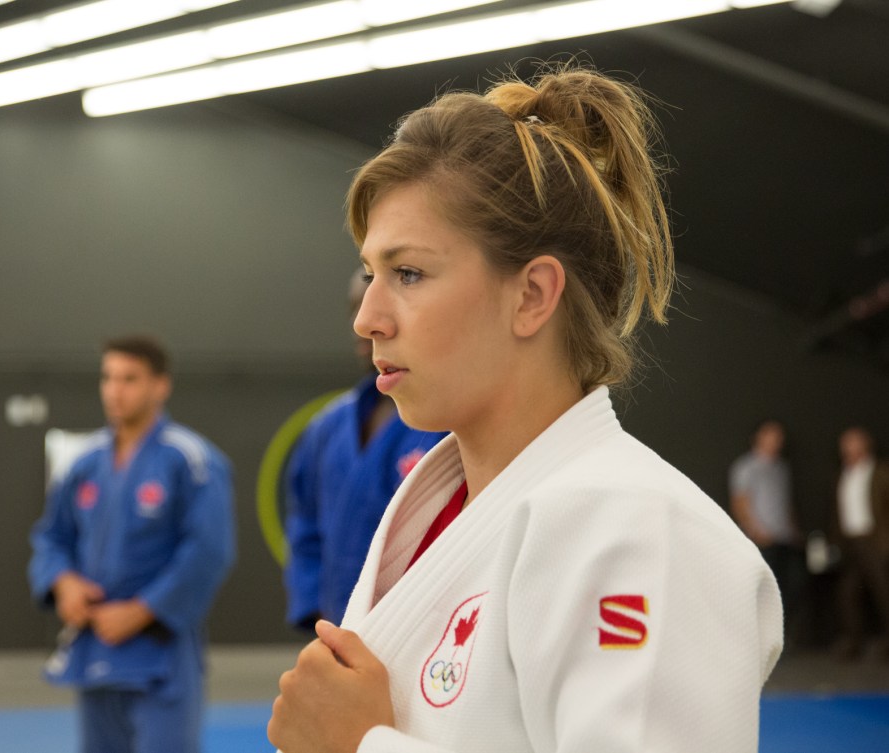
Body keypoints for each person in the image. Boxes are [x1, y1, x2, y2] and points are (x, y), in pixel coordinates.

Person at [268, 63, 782, 753]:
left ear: (533, 295)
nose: (367, 319)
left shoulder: (637, 531)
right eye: (370, 274)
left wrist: (362, 744)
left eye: (409, 273)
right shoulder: (439, 510)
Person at [29, 335, 235, 753]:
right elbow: (52, 536)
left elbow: (209, 550)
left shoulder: (191, 459)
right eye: (107, 378)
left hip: (160, 654)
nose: (115, 390)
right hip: (96, 648)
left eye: (129, 379)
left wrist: (142, 610)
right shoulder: (84, 463)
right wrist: (64, 583)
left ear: (160, 386)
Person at [284, 271, 445, 629]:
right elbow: (305, 521)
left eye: (378, 306)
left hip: (421, 632)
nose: (363, 324)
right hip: (338, 624)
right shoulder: (328, 425)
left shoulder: (448, 421)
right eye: (355, 308)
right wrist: (315, 609)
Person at [729, 419, 802, 635]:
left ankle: (779, 636)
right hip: (761, 540)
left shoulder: (781, 468)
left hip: (784, 538)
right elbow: (740, 501)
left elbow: (785, 502)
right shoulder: (746, 467)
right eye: (770, 435)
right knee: (763, 592)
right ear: (758, 437)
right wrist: (756, 531)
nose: (775, 441)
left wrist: (793, 530)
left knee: (789, 587)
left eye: (779, 437)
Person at [831, 426, 889, 660]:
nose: (848, 448)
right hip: (851, 543)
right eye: (845, 443)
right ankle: (854, 643)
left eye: (853, 442)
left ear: (865, 444)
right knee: (848, 593)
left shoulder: (881, 472)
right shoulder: (843, 474)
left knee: (883, 593)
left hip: (874, 540)